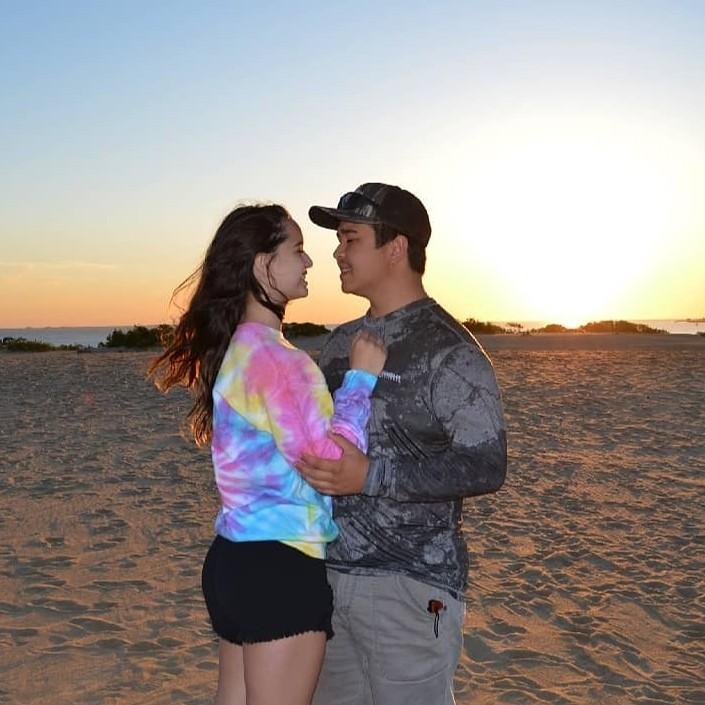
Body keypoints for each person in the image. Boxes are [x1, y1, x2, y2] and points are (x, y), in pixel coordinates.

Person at [149, 204, 386, 705]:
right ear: (262, 265)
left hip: (233, 562)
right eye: (297, 250)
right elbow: (326, 462)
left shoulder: (236, 350)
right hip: (279, 567)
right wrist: (360, 380)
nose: (309, 262)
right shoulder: (279, 360)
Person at [296, 183, 507, 705]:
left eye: (350, 238)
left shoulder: (449, 350)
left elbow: (486, 465)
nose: (337, 252)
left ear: (396, 248)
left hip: (412, 588)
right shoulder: (341, 342)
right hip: (327, 579)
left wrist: (371, 476)